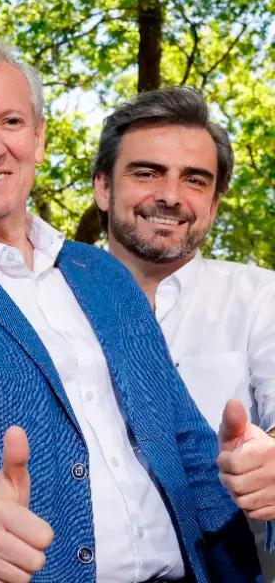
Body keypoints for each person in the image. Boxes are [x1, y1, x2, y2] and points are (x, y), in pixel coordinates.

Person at [0, 39, 259, 581]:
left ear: (38, 138)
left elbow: (182, 438)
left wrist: (246, 477)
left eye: (11, 121)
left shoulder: (105, 274)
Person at [93, 86, 275, 576]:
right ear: (103, 188)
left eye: (195, 180)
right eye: (147, 172)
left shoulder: (260, 298)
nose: (170, 196)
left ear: (214, 204)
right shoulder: (46, 306)